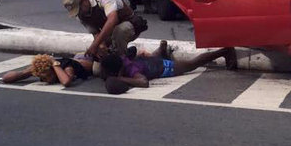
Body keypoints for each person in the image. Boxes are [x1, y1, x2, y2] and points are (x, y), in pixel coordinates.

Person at [100, 41, 237, 94]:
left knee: (192, 64)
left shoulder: (131, 70)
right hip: (150, 61)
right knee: (155, 58)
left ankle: (225, 51)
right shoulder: (121, 59)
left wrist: (122, 79)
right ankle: (162, 50)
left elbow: (143, 82)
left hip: (163, 67)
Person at [63, 0, 148, 59]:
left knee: (119, 31)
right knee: (98, 69)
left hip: (130, 26)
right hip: (110, 33)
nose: (79, 13)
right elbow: (96, 33)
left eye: (79, 9)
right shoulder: (80, 16)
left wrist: (95, 45)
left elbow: (113, 19)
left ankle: (122, 60)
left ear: (84, 1)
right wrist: (101, 45)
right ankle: (126, 53)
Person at [2, 53, 94, 87]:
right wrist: (26, 72)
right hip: (76, 57)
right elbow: (6, 78)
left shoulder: (67, 67)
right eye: (44, 78)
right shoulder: (42, 70)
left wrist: (54, 63)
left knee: (100, 70)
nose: (48, 80)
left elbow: (66, 82)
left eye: (49, 76)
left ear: (52, 69)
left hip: (88, 61)